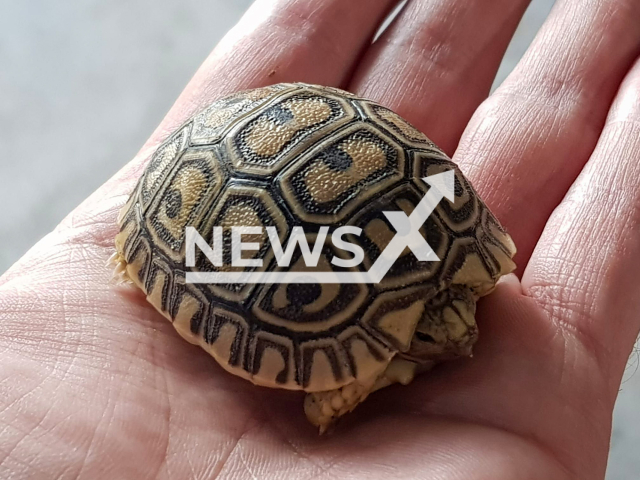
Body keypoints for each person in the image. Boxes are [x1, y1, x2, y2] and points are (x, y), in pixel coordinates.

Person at [1, 0, 638, 478]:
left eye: (444, 320)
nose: (462, 335)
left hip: (316, 138)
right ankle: (148, 251)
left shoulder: (460, 275)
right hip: (201, 185)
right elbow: (321, 401)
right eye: (431, 328)